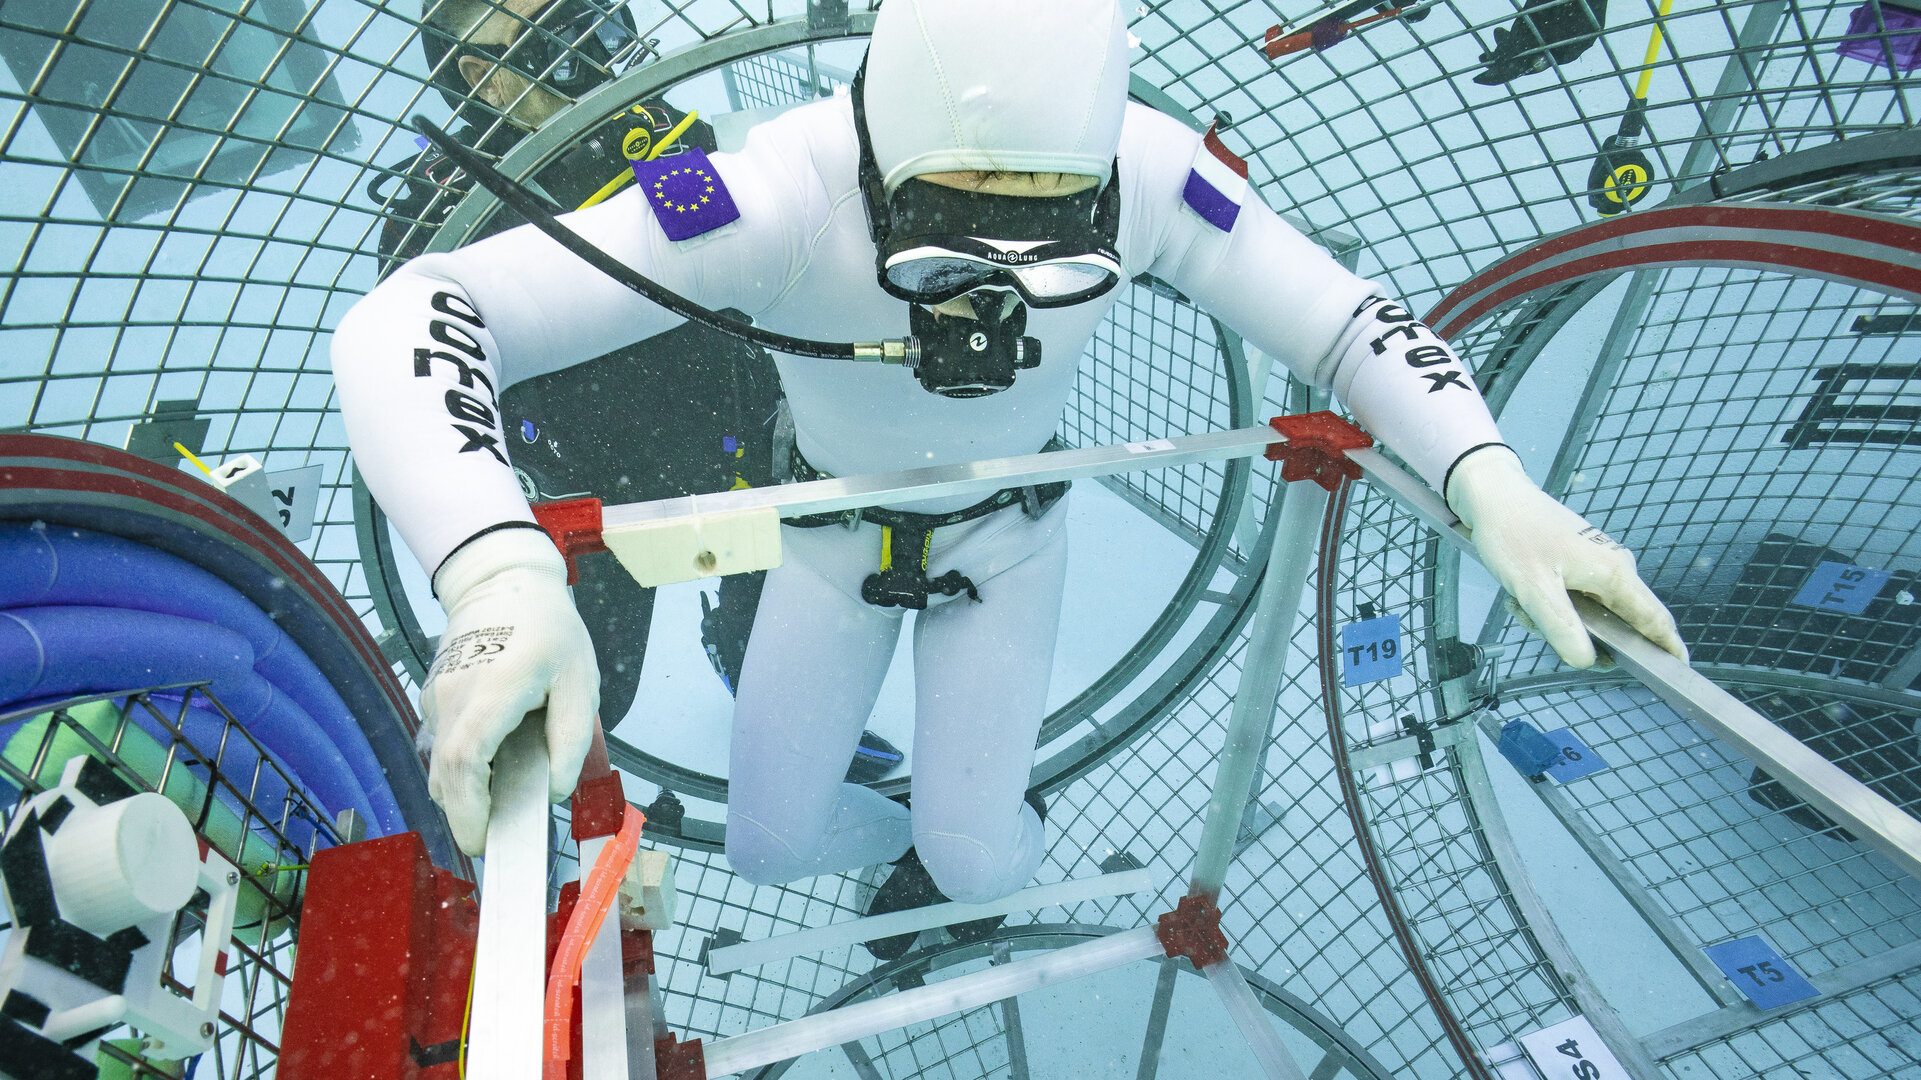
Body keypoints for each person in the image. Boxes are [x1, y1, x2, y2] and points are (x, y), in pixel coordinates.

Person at [334, 0, 1688, 959]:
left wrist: (1495, 489)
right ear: (879, 149)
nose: (996, 289)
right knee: (764, 843)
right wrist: (498, 574)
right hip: (820, 543)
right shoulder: (782, 191)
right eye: (952, 230)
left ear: (1101, 174)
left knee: (976, 860)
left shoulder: (1148, 175)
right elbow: (424, 308)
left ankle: (966, 842)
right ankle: (939, 825)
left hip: (1011, 549)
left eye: (1051, 240)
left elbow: (1344, 325)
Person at [369, 0, 902, 780]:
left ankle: (746, 662)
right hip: (590, 491)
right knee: (593, 688)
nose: (581, 52)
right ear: (475, 71)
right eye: (543, 38)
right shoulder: (443, 208)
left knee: (765, 604)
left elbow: (718, 241)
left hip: (729, 431)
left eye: (581, 24)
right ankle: (513, 810)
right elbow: (419, 368)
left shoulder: (642, 127)